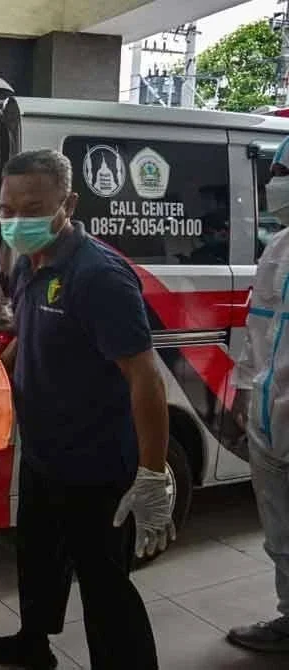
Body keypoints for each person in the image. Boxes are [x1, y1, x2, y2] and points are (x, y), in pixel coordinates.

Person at [0, 150, 168, 669]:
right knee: (38, 559)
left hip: (98, 464)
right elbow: (27, 335)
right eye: (7, 209)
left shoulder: (98, 275)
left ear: (68, 203)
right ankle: (33, 645)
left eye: (31, 207)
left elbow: (145, 377)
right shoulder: (28, 262)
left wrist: (151, 473)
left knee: (104, 586)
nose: (16, 220)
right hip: (44, 451)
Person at [225, 137, 289, 654]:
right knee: (280, 535)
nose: (277, 183)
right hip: (272, 418)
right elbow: (258, 326)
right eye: (278, 171)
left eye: (286, 172)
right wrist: (245, 388)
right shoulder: (279, 247)